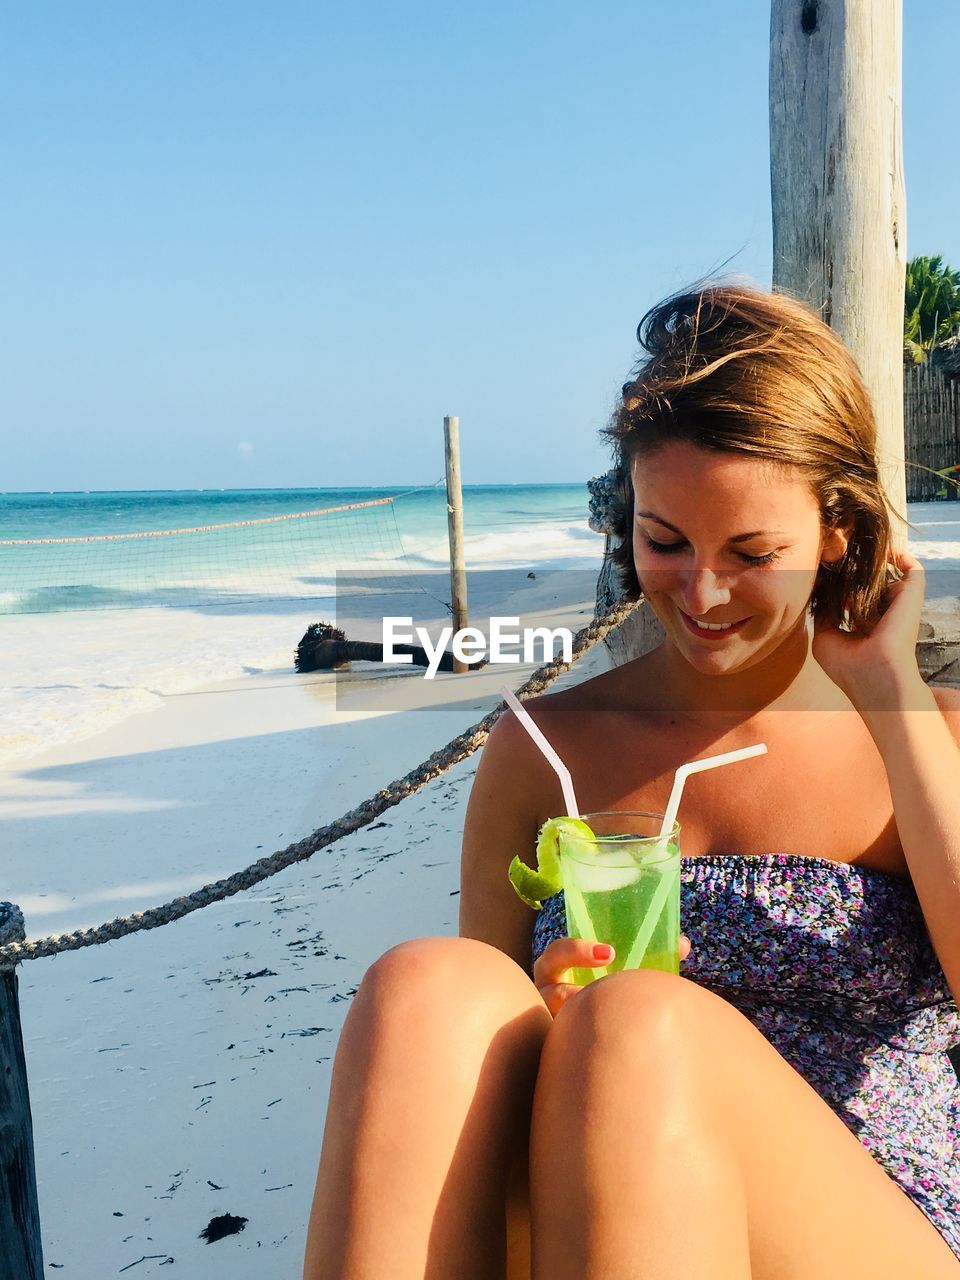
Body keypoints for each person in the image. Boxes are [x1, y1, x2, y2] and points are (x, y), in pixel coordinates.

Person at [303, 282, 960, 1278]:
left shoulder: (930, 731)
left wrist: (891, 692)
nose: (701, 593)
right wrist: (549, 1014)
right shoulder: (547, 749)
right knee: (426, 990)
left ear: (837, 528)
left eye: (753, 552)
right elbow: (483, 1053)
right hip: (596, 1206)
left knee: (638, 1020)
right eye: (666, 542)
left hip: (874, 1220)